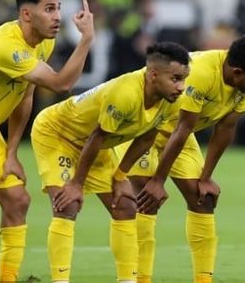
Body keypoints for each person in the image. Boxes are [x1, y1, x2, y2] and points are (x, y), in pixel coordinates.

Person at [0, 0, 94, 282]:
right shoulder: (6, 46)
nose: (57, 17)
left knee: (18, 200)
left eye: (59, 8)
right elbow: (61, 83)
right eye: (49, 9)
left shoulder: (42, 42)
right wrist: (86, 40)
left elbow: (25, 94)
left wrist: (11, 152)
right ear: (26, 14)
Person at [30, 42, 190, 283]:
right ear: (154, 75)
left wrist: (120, 176)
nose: (181, 87)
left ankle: (127, 280)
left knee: (125, 206)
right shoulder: (126, 93)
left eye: (184, 79)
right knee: (67, 204)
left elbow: (146, 137)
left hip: (94, 143)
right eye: (176, 79)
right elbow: (98, 137)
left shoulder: (171, 100)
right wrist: (77, 184)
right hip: (57, 134)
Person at [124, 35, 245, 283]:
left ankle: (204, 280)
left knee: (202, 199)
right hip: (141, 126)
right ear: (237, 72)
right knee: (145, 196)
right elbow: (183, 128)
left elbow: (226, 128)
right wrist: (158, 181)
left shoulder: (243, 84)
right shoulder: (201, 73)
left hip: (175, 134)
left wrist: (206, 177)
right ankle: (141, 278)